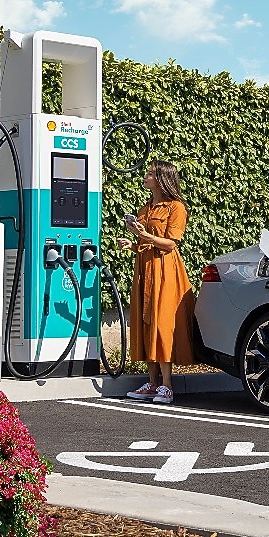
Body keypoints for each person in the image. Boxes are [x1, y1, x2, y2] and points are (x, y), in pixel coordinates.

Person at [119, 160, 195, 404]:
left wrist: (143, 235)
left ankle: (167, 386)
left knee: (162, 323)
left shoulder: (175, 207)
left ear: (162, 178)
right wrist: (133, 243)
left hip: (165, 269)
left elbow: (172, 242)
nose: (146, 176)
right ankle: (152, 383)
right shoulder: (146, 208)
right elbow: (146, 243)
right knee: (146, 322)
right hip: (145, 268)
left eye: (150, 173)